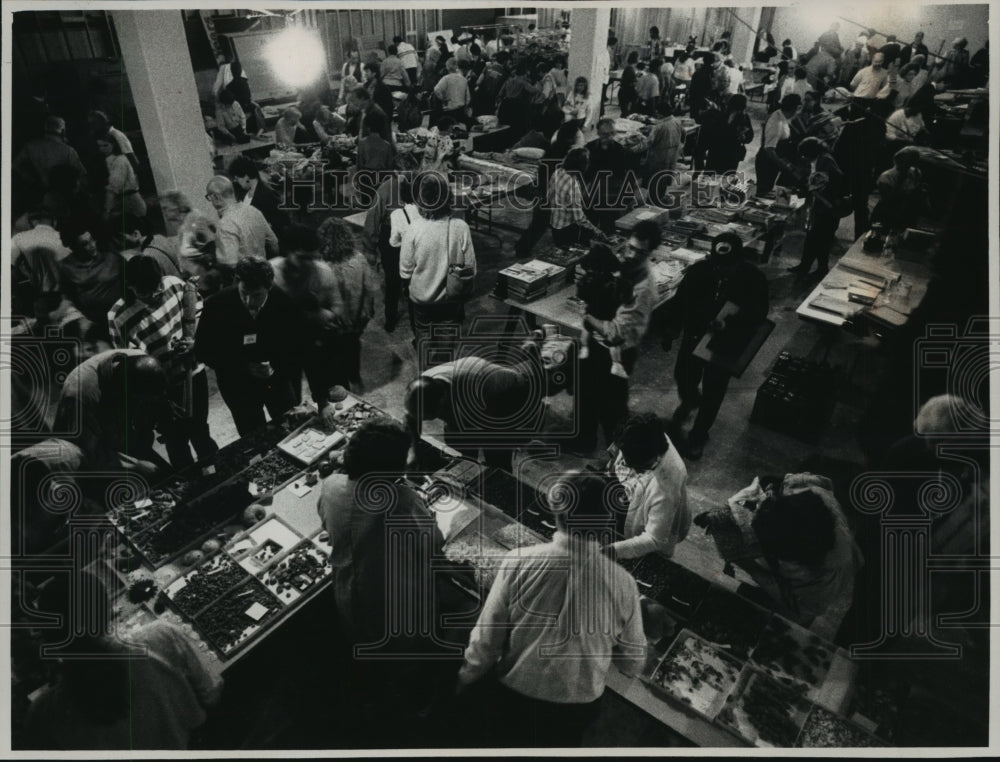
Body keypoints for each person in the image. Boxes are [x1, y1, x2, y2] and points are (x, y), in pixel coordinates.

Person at [456, 471, 646, 748]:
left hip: (514, 696)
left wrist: (465, 677)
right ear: (607, 524)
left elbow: (487, 640)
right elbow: (632, 664)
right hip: (576, 709)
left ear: (555, 512)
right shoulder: (625, 585)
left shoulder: (517, 562)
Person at [22, 570, 222, 750]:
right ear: (108, 609)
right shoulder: (162, 636)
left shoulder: (43, 714)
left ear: (49, 637)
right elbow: (212, 692)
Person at [665, 233, 769, 460]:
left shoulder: (753, 278)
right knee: (684, 376)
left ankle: (699, 434)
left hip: (725, 343)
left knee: (714, 389)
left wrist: (731, 321)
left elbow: (760, 312)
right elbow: (680, 300)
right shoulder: (700, 270)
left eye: (729, 265)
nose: (723, 270)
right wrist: (671, 329)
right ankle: (690, 400)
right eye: (718, 263)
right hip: (694, 336)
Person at [108, 255, 218, 468]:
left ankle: (217, 475)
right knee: (176, 442)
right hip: (162, 390)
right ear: (130, 287)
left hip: (193, 373)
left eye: (157, 287)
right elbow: (126, 361)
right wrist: (156, 398)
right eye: (145, 292)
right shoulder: (117, 316)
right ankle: (191, 487)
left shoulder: (176, 286)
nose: (154, 295)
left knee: (200, 431)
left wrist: (194, 342)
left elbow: (200, 318)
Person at [741, 474, 864, 639]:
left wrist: (749, 566)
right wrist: (768, 497)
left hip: (795, 603)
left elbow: (799, 605)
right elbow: (783, 491)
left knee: (775, 628)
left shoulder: (825, 581)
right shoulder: (806, 496)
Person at [574, 220, 659, 454]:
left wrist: (586, 314)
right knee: (586, 395)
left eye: (639, 252)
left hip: (617, 353)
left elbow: (616, 333)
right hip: (595, 344)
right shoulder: (626, 266)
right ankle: (584, 441)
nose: (630, 254)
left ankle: (618, 459)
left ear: (651, 253)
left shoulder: (644, 289)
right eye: (629, 247)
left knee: (612, 408)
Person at [195, 257, 304, 436]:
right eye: (244, 292)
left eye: (257, 295)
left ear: (269, 288)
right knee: (253, 436)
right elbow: (204, 351)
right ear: (238, 282)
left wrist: (276, 365)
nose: (249, 301)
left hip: (276, 382)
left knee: (292, 427)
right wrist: (243, 366)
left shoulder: (283, 302)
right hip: (238, 387)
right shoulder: (216, 305)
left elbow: (296, 347)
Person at [404, 349, 542, 470]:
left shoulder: (469, 389)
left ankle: (499, 476)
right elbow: (410, 418)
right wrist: (414, 451)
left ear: (443, 400)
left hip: (510, 393)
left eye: (430, 416)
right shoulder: (424, 387)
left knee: (496, 451)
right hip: (478, 393)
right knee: (458, 447)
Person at [53, 349, 167, 475]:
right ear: (122, 391)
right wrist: (135, 464)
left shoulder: (143, 362)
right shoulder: (80, 397)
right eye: (138, 401)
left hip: (122, 439)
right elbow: (85, 452)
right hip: (92, 459)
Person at [269, 224, 343, 420]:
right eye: (302, 258)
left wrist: (325, 314)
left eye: (312, 258)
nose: (308, 264)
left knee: (322, 389)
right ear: (288, 252)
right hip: (281, 345)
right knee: (287, 401)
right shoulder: (271, 274)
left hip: (312, 341)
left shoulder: (322, 272)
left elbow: (337, 307)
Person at [400, 171, 476, 343]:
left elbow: (405, 271)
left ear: (421, 199)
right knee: (447, 345)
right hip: (450, 297)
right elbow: (470, 267)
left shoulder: (413, 229)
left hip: (421, 299)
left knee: (424, 339)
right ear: (447, 197)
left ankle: (426, 369)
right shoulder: (461, 227)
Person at [609, 413, 691, 560]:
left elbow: (654, 538)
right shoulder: (646, 433)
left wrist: (612, 551)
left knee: (648, 556)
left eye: (641, 467)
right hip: (632, 500)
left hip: (653, 522)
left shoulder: (667, 485)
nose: (635, 471)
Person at [316, 216, 377, 391]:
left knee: (334, 355)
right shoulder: (359, 259)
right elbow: (369, 289)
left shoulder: (321, 265)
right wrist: (367, 313)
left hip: (333, 323)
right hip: (356, 319)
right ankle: (355, 378)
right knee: (353, 347)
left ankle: (342, 388)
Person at [513, 122, 584, 259]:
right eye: (577, 136)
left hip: (546, 196)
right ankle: (564, 256)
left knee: (539, 226)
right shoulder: (568, 156)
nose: (580, 138)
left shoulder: (553, 150)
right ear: (570, 139)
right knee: (559, 230)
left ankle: (522, 249)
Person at [788, 137, 846, 278]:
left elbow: (820, 184)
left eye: (804, 154)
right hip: (824, 206)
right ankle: (807, 266)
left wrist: (805, 189)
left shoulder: (825, 162)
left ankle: (818, 268)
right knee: (815, 238)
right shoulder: (823, 159)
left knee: (819, 239)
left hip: (828, 208)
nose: (804, 158)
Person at [58, 216, 125, 333]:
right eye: (85, 244)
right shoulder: (66, 267)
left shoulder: (112, 258)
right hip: (96, 323)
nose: (92, 245)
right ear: (73, 247)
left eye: (92, 239)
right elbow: (67, 296)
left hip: (123, 316)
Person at [576, 244, 631, 379]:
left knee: (586, 328)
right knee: (614, 342)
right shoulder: (617, 283)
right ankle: (616, 364)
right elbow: (627, 295)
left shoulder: (586, 281)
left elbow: (581, 295)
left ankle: (584, 348)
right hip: (609, 316)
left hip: (592, 313)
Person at [12, 116, 87, 215]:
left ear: (45, 129)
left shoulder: (30, 146)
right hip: (61, 197)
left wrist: (27, 176)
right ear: (63, 131)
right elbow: (82, 174)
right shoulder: (68, 151)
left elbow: (14, 165)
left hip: (35, 194)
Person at [205, 175, 278, 267]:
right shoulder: (254, 211)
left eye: (209, 197)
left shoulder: (225, 223)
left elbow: (229, 264)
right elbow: (274, 243)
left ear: (216, 197)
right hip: (264, 273)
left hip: (245, 278)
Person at [548, 147, 605, 248]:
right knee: (569, 255)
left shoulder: (558, 171)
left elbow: (549, 194)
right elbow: (579, 218)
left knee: (560, 252)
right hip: (567, 229)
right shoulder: (573, 185)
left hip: (555, 222)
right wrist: (596, 230)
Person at [584, 118, 629, 234]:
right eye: (604, 134)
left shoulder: (619, 149)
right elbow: (584, 173)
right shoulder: (589, 148)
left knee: (609, 226)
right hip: (592, 193)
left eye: (611, 134)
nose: (608, 137)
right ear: (598, 133)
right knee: (589, 224)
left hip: (610, 195)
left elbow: (622, 174)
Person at [227, 155, 289, 239]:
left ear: (246, 177)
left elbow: (284, 222)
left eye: (237, 178)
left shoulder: (268, 195)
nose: (236, 182)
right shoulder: (246, 191)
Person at [872, 145, 929, 228]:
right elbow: (889, 200)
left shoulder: (915, 173)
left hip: (907, 213)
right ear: (899, 160)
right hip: (887, 213)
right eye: (906, 163)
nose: (908, 167)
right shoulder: (887, 177)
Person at [755, 93, 801, 195]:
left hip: (773, 162)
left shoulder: (782, 116)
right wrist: (783, 165)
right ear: (796, 108)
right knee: (764, 191)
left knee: (768, 189)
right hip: (767, 162)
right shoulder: (776, 122)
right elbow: (769, 149)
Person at [112, 213, 180, 277]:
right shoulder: (159, 238)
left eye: (120, 238)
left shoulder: (146, 258)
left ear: (136, 234)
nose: (117, 242)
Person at [95, 132, 144, 220]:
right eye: (99, 146)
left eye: (105, 145)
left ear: (113, 145)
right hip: (120, 200)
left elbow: (114, 187)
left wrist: (107, 210)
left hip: (130, 201)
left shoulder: (120, 160)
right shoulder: (107, 160)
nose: (102, 149)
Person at [700, 93, 753, 173]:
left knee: (725, 177)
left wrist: (744, 137)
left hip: (730, 153)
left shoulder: (744, 117)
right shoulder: (721, 114)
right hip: (717, 151)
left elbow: (750, 136)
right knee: (712, 176)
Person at [643, 105, 686, 181]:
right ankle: (662, 192)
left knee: (655, 178)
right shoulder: (677, 121)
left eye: (657, 113)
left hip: (659, 156)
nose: (656, 115)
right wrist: (680, 145)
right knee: (666, 177)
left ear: (661, 114)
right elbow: (684, 133)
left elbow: (648, 142)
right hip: (673, 154)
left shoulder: (659, 126)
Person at [433, 58, 471, 128]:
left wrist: (443, 99)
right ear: (456, 66)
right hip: (461, 110)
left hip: (449, 110)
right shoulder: (464, 79)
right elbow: (468, 98)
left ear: (447, 67)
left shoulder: (445, 79)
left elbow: (436, 90)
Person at [356, 109, 396, 173]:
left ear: (368, 127)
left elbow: (359, 165)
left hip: (366, 176)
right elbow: (389, 166)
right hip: (381, 176)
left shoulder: (362, 143)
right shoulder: (386, 145)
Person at [618, 52, 639, 116]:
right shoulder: (630, 69)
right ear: (636, 59)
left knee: (625, 112)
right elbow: (629, 82)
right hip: (626, 93)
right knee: (626, 113)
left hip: (624, 92)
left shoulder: (629, 68)